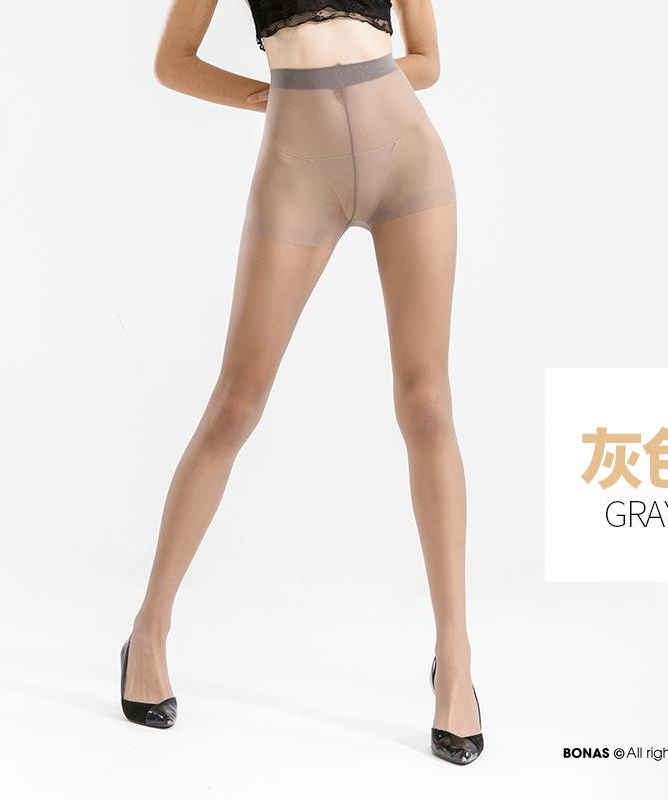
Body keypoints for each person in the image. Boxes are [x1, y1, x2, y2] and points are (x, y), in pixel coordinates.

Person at [119, 0, 483, 765]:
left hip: (407, 156)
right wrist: (272, 95)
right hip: (297, 165)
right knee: (236, 404)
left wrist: (367, 79)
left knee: (427, 405)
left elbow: (427, 60)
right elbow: (172, 62)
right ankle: (148, 630)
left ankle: (455, 661)